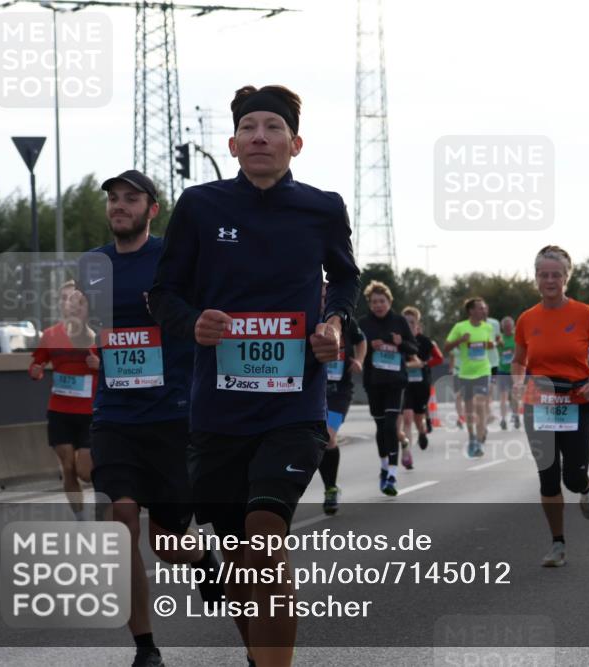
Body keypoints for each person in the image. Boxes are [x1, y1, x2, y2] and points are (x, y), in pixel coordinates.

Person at [148, 84, 360, 667]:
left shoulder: (322, 207)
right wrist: (194, 324)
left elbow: (345, 280)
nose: (260, 136)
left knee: (265, 534)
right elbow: (162, 294)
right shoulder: (200, 205)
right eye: (249, 127)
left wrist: (336, 323)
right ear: (234, 143)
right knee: (242, 555)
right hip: (218, 409)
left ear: (295, 143)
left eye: (272, 127)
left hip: (294, 406)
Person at [89, 170, 224, 667]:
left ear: (152, 210)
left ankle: (202, 558)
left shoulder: (173, 262)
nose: (119, 206)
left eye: (131, 198)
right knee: (119, 520)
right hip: (114, 416)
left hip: (171, 416)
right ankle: (146, 648)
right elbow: (83, 329)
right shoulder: (94, 266)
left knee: (166, 543)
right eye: (113, 200)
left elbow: (207, 318)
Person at [510, 245, 589, 567]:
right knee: (548, 477)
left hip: (577, 399)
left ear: (567, 277)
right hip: (539, 402)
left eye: (556, 275)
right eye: (544, 274)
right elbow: (517, 360)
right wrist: (516, 380)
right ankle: (558, 544)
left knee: (572, 476)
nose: (550, 280)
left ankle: (585, 484)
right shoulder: (527, 319)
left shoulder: (584, 314)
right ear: (536, 278)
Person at [28, 280, 97, 521]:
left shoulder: (97, 335)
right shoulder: (50, 335)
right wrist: (35, 369)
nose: (72, 305)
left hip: (90, 412)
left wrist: (100, 366)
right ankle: (81, 521)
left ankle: (104, 499)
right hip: (59, 411)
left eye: (78, 300)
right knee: (68, 468)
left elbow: (114, 367)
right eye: (66, 299)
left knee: (86, 473)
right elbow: (38, 361)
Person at [358, 281, 417, 495]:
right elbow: (354, 349)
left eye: (382, 301)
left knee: (391, 425)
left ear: (389, 302)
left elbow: (413, 348)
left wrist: (401, 342)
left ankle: (392, 473)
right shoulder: (363, 324)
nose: (378, 305)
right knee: (381, 427)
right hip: (374, 382)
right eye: (374, 302)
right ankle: (384, 466)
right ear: (369, 304)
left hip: (396, 382)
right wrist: (366, 348)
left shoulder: (399, 321)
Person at [321, 284, 366, 516]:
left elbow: (361, 340)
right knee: (315, 441)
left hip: (339, 391)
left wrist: (358, 360)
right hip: (312, 391)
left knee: (328, 435)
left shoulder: (345, 320)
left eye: (327, 293)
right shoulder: (306, 315)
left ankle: (330, 488)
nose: (323, 297)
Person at [443, 297, 496, 457]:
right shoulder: (460, 327)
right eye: (480, 308)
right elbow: (446, 347)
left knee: (479, 405)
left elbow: (489, 343)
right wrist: (460, 340)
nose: (484, 311)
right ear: (471, 311)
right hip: (465, 373)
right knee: (469, 409)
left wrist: (491, 344)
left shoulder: (487, 327)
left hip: (483, 371)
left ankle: (479, 443)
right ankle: (472, 437)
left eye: (484, 308)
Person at [401, 306, 441, 453]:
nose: (408, 325)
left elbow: (439, 358)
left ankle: (422, 432)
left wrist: (425, 363)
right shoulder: (399, 341)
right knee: (407, 418)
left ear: (417, 324)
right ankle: (407, 453)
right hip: (405, 384)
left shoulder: (425, 341)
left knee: (419, 417)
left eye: (412, 322)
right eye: (405, 322)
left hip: (421, 383)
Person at [497, 316, 519, 430]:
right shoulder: (499, 338)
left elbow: (522, 351)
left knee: (514, 395)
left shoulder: (517, 337)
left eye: (509, 328)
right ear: (502, 328)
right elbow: (498, 353)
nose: (508, 330)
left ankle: (516, 416)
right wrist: (501, 347)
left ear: (513, 326)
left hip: (515, 371)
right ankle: (503, 419)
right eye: (505, 328)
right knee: (503, 396)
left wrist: (514, 352)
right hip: (502, 370)